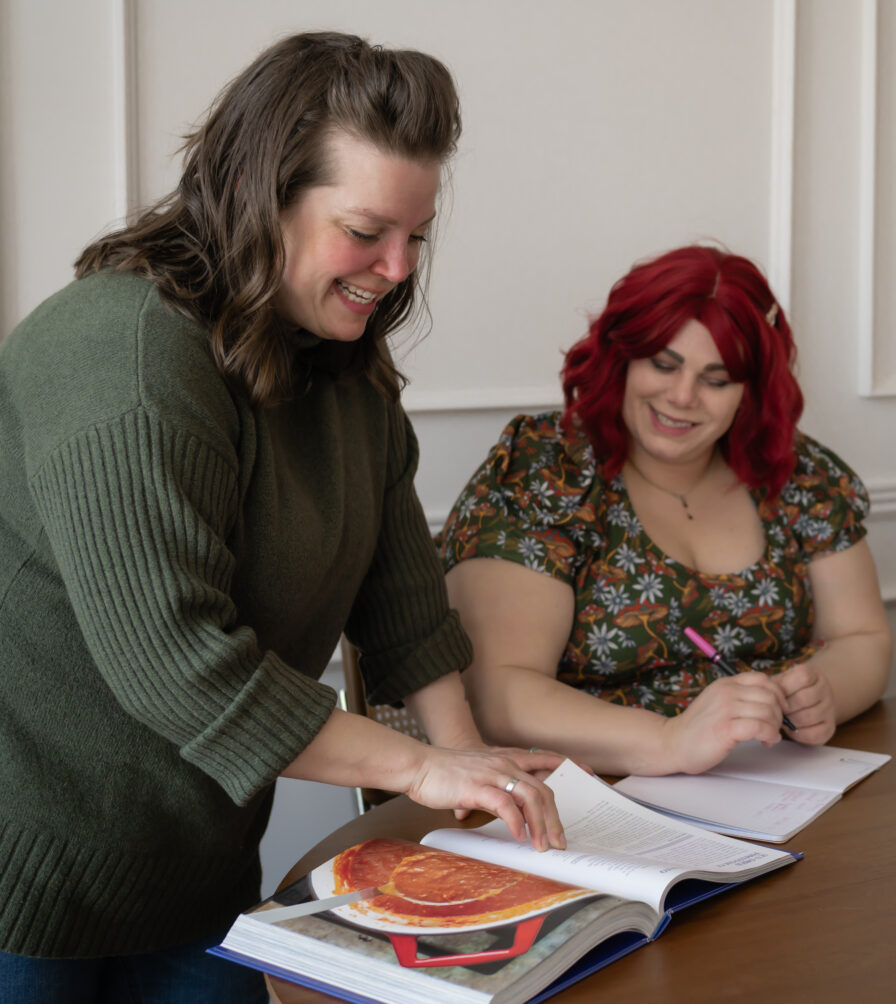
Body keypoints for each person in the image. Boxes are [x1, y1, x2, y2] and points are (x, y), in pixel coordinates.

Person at [0, 31, 566, 1002]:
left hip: (199, 870)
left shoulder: (344, 370)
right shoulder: (121, 351)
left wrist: (466, 754)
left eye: (416, 235)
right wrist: (423, 770)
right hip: (30, 879)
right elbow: (177, 666)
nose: (396, 267)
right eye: (364, 230)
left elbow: (401, 601)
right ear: (262, 195)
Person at [438, 244, 892, 778]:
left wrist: (827, 693)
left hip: (779, 785)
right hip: (596, 801)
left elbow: (863, 637)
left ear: (750, 391)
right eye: (663, 364)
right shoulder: (545, 471)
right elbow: (499, 696)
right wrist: (669, 740)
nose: (682, 396)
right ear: (622, 356)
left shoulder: (796, 474)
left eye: (716, 380)